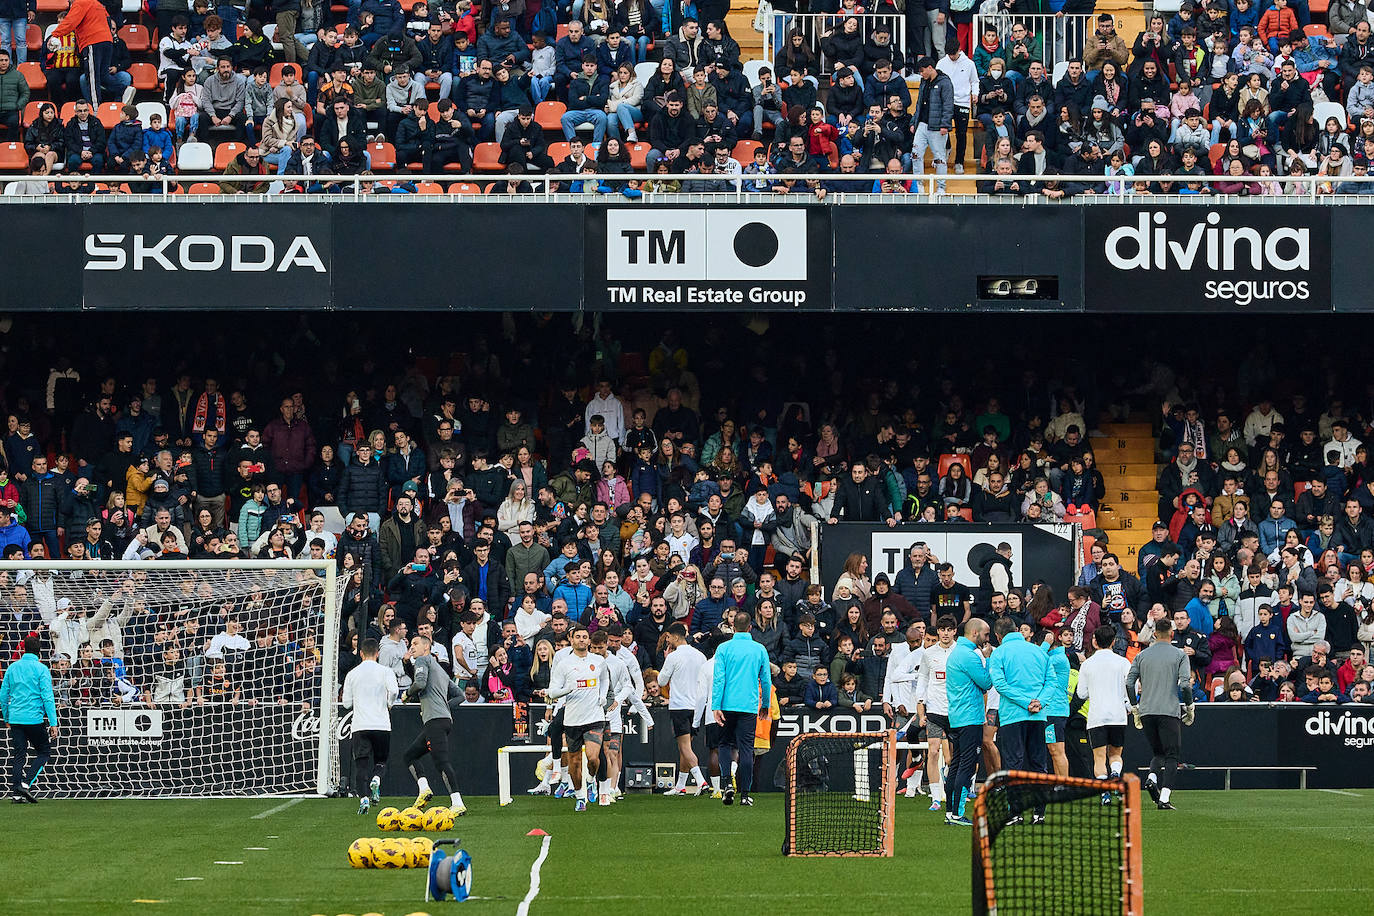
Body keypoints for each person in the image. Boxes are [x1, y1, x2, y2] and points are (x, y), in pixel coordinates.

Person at [1126, 617, 1193, 811]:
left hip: (1146, 711)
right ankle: (1164, 797)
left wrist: (1135, 706)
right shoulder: (1180, 655)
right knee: (1172, 755)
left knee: (1158, 752)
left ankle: (1151, 778)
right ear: (1171, 634)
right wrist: (1189, 707)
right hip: (1168, 711)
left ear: (1154, 634)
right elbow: (1185, 685)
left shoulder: (1142, 655)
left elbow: (1130, 683)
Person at [988, 614, 1050, 823]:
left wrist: (1025, 702)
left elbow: (1001, 685)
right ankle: (1039, 812)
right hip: (1038, 715)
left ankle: (1015, 813)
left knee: (1013, 763)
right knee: (1038, 763)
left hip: (1012, 716)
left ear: (998, 636)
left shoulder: (999, 654)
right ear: (1016, 630)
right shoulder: (1038, 651)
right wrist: (1038, 702)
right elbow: (1051, 682)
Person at [401, 633, 467, 816]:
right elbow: (460, 696)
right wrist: (444, 706)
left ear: (426, 647)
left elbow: (419, 683)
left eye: (415, 644)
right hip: (443, 720)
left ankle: (457, 802)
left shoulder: (423, 660)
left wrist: (407, 694)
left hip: (435, 720)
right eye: (410, 644)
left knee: (441, 762)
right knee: (410, 755)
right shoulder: (440, 670)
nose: (412, 647)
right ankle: (424, 790)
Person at [711, 610, 771, 806]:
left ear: (733, 627)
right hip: (749, 706)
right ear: (750, 628)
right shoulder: (759, 649)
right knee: (746, 749)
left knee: (724, 745)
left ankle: (728, 783)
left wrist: (716, 705)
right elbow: (766, 679)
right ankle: (745, 794)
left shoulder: (723, 648)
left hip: (727, 704)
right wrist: (766, 704)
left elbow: (719, 679)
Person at [547, 627, 609, 812]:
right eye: (578, 637)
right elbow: (552, 691)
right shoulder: (564, 664)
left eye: (585, 637)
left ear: (589, 641)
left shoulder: (598, 661)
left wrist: (603, 695)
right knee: (574, 762)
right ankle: (580, 796)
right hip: (572, 719)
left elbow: (605, 679)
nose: (581, 640)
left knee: (593, 758)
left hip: (594, 717)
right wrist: (567, 689)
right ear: (571, 640)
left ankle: (591, 780)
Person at [943, 618, 992, 826]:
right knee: (966, 765)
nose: (987, 639)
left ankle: (949, 812)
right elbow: (987, 682)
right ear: (975, 633)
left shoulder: (957, 653)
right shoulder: (969, 656)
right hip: (970, 717)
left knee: (956, 764)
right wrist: (987, 659)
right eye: (986, 635)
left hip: (957, 716)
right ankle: (957, 813)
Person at [341, 636, 399, 815]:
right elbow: (395, 691)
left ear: (361, 653)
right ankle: (376, 779)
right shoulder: (385, 671)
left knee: (361, 765)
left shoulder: (352, 674)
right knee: (381, 762)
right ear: (378, 653)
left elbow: (346, 704)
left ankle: (364, 799)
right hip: (381, 724)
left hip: (360, 725)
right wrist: (388, 703)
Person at [1076, 624, 1132, 799]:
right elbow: (1131, 687)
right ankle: (1115, 774)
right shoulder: (1123, 662)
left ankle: (1104, 793)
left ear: (1095, 642)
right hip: (1118, 716)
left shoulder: (1087, 664)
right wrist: (1129, 706)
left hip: (1097, 717)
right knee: (1115, 754)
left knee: (1099, 758)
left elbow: (1081, 693)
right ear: (1113, 642)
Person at [1, 634, 57, 804]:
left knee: (19, 754)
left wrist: (7, 716)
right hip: (33, 719)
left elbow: (3, 695)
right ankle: (25, 784)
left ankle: (16, 794)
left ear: (24, 649)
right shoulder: (41, 669)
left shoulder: (12, 668)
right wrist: (53, 723)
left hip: (16, 718)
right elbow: (47, 697)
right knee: (44, 751)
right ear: (39, 651)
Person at [658, 622, 708, 795]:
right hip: (697, 706)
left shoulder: (673, 657)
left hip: (680, 706)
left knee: (685, 748)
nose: (668, 640)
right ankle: (680, 785)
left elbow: (661, 681)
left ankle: (701, 782)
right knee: (685, 748)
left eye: (669, 637)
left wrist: (666, 660)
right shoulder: (700, 656)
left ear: (676, 637)